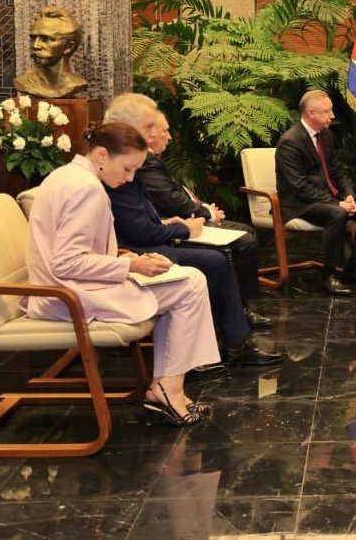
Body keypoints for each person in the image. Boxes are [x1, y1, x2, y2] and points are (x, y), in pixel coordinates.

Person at [23, 122, 218, 426]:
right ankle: (168, 389)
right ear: (102, 155)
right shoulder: (86, 189)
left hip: (63, 286)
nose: (129, 178)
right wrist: (131, 266)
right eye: (127, 169)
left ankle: (167, 386)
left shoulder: (66, 175)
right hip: (68, 295)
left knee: (185, 279)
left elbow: (74, 251)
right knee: (191, 283)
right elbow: (66, 263)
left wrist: (125, 256)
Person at [104, 93, 282, 367]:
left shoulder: (126, 163)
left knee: (222, 254)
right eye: (148, 127)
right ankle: (230, 343)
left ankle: (229, 338)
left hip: (144, 240)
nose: (152, 135)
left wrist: (172, 224)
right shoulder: (117, 168)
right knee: (215, 259)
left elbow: (144, 217)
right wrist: (183, 230)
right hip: (133, 252)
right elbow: (139, 232)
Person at [137, 110, 268, 322]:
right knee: (244, 241)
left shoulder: (150, 160)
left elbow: (175, 193)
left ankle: (240, 306)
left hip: (178, 221)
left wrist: (205, 209)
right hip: (170, 229)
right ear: (149, 134)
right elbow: (170, 200)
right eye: (166, 131)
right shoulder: (144, 163)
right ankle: (238, 310)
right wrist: (205, 213)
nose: (170, 137)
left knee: (245, 233)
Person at [276, 90, 356, 296]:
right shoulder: (290, 142)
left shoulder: (325, 135)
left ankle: (354, 267)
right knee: (338, 213)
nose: (332, 115)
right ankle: (328, 275)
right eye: (327, 112)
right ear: (310, 113)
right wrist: (337, 204)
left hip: (327, 199)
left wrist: (348, 195)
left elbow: (336, 171)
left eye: (331, 110)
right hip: (300, 204)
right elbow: (299, 186)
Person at [14, 6, 89, 99]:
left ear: (69, 47)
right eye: (33, 38)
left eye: (46, 39)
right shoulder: (26, 81)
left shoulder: (75, 84)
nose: (35, 45)